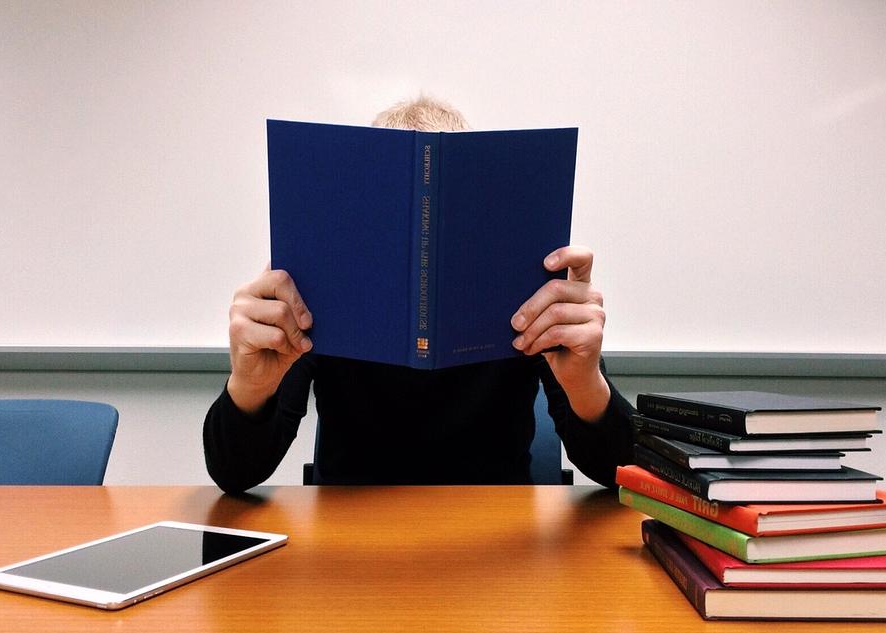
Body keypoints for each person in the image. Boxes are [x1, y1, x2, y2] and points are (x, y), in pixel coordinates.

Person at [203, 96, 635, 492]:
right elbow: (234, 473)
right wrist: (249, 387)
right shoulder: (322, 284)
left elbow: (625, 471)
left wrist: (585, 383)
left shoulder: (527, 279)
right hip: (349, 547)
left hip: (496, 549)